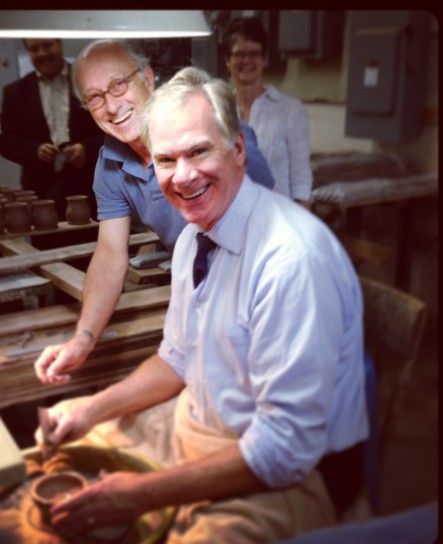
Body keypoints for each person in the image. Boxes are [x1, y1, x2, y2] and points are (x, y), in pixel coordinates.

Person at [33, 66, 369, 544]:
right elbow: (178, 358)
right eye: (166, 160)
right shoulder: (194, 238)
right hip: (200, 424)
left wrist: (141, 494)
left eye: (198, 151)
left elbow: (285, 450)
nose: (183, 176)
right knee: (75, 448)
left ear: (237, 149)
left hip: (292, 471)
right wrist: (91, 407)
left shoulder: (290, 260)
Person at [34, 39, 274, 385]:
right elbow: (109, 255)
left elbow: (270, 226)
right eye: (95, 97)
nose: (112, 106)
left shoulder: (209, 123)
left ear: (147, 78)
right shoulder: (110, 164)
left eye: (118, 84)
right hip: (200, 297)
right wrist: (84, 337)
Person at [0, 38, 104, 220]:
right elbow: (4, 140)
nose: (42, 53)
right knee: (48, 246)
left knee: (93, 245)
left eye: (47, 45)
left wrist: (88, 149)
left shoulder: (90, 82)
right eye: (35, 49)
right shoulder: (15, 93)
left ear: (60, 44)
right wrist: (34, 150)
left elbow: (113, 130)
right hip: (41, 196)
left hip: (91, 190)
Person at [224, 17, 313, 209]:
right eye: (239, 54)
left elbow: (302, 179)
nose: (247, 60)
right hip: (231, 217)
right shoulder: (221, 111)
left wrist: (300, 226)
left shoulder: (289, 110)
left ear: (263, 59)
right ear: (228, 60)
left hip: (276, 219)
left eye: (254, 53)